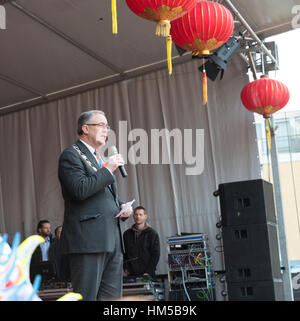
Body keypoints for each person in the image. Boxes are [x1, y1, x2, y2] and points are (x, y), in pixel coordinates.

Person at [58, 109, 133, 301]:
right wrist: (108, 168)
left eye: (107, 126)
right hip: (88, 241)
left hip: (112, 239)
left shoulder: (98, 157)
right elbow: (79, 190)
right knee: (87, 296)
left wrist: (122, 207)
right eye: (101, 125)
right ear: (85, 128)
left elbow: (104, 197)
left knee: (111, 299)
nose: (106, 130)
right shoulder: (71, 155)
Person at [123, 206, 160, 280]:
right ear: (133, 216)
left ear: (145, 216)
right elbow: (123, 252)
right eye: (136, 214)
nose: (138, 217)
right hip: (131, 274)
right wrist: (125, 268)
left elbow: (156, 254)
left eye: (140, 214)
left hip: (147, 274)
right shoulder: (126, 234)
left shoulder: (152, 233)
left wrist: (148, 272)